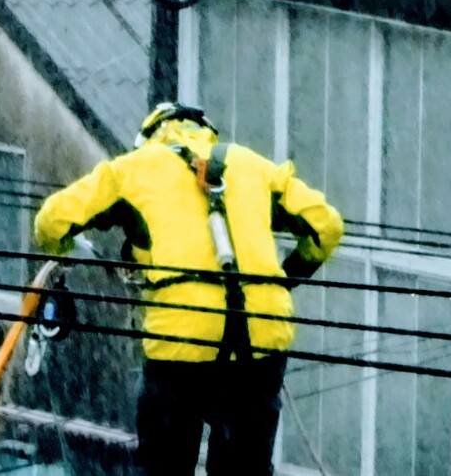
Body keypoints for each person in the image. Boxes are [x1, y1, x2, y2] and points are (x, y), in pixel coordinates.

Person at [33, 102, 343, 476]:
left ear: (148, 138)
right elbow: (327, 226)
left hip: (181, 344)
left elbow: (51, 221)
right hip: (261, 341)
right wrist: (283, 279)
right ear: (206, 132)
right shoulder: (252, 165)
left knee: (164, 465)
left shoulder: (132, 170)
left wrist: (69, 250)